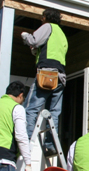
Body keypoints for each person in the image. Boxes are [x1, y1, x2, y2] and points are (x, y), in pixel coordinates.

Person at [21, 8, 69, 158]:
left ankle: (25, 141)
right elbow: (50, 50)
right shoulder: (62, 34)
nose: (41, 19)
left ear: (46, 17)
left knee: (30, 108)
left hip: (47, 74)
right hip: (60, 77)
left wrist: (25, 35)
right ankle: (51, 145)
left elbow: (34, 40)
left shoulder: (47, 27)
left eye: (42, 17)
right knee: (53, 113)